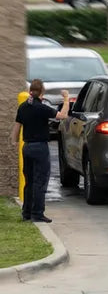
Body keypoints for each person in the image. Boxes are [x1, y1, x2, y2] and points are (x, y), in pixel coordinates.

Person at [11, 79, 70, 223]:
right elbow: (62, 116)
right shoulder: (41, 108)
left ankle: (26, 213)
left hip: (27, 147)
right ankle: (37, 213)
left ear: (31, 91)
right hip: (40, 148)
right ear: (42, 92)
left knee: (29, 181)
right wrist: (66, 98)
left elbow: (17, 127)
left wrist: (15, 141)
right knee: (40, 182)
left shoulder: (23, 107)